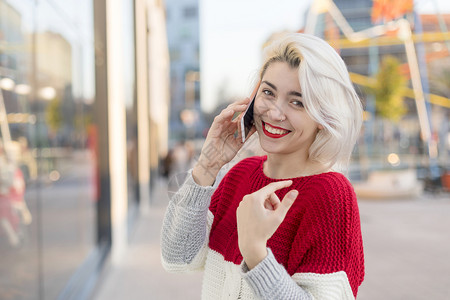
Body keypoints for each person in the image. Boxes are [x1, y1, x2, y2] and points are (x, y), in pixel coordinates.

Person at [161, 33, 364, 299]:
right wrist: (208, 165)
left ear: (323, 116)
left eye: (297, 102)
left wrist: (256, 253)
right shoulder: (239, 175)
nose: (275, 112)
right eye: (268, 92)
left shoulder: (330, 194)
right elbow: (178, 258)